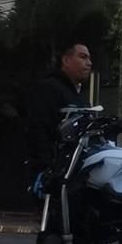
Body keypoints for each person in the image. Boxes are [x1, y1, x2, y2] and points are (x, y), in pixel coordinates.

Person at [26, 40, 93, 195]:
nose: (89, 63)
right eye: (83, 57)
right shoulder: (48, 89)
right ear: (66, 60)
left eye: (89, 58)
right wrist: (45, 170)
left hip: (76, 174)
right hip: (55, 177)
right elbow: (38, 129)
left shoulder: (80, 96)